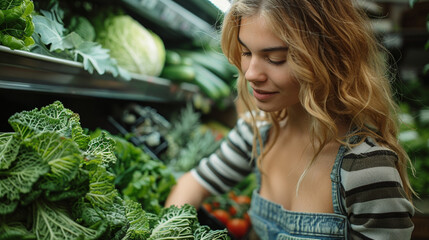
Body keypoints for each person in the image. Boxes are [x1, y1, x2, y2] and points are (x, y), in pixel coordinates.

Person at [165, 0, 416, 239]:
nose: (251, 74)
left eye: (275, 58)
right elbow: (194, 183)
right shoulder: (259, 130)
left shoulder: (367, 169)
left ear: (327, 57)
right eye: (245, 52)